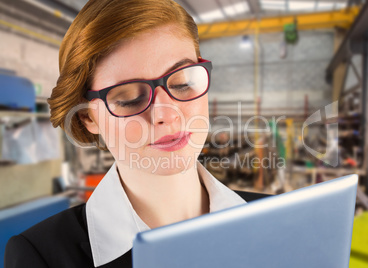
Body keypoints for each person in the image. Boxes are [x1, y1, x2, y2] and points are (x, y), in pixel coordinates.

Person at [4, 0, 268, 267]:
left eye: (183, 82)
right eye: (129, 99)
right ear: (87, 116)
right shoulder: (41, 257)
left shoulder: (280, 221)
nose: (166, 114)